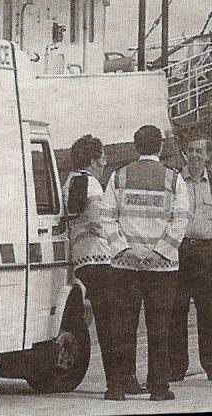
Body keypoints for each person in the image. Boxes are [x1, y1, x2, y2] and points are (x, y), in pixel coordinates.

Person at [102, 125, 190, 401]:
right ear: (161, 147)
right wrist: (160, 252)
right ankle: (159, 388)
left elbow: (107, 218)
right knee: (159, 328)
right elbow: (181, 219)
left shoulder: (119, 176)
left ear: (135, 146)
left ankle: (118, 387)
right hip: (162, 267)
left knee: (123, 327)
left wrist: (125, 250)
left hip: (126, 266)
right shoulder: (173, 179)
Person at [62, 135, 126, 400]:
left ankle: (118, 383)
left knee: (104, 320)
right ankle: (117, 385)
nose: (104, 162)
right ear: (92, 160)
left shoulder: (71, 181)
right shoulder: (91, 184)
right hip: (98, 257)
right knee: (110, 323)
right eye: (102, 157)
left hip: (81, 258)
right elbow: (99, 222)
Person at [168, 133, 212, 381]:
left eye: (199, 151)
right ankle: (176, 367)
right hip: (180, 251)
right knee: (177, 310)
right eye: (190, 150)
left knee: (209, 311)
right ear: (184, 153)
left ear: (207, 155)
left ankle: (211, 365)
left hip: (207, 254)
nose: (194, 155)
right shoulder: (175, 181)